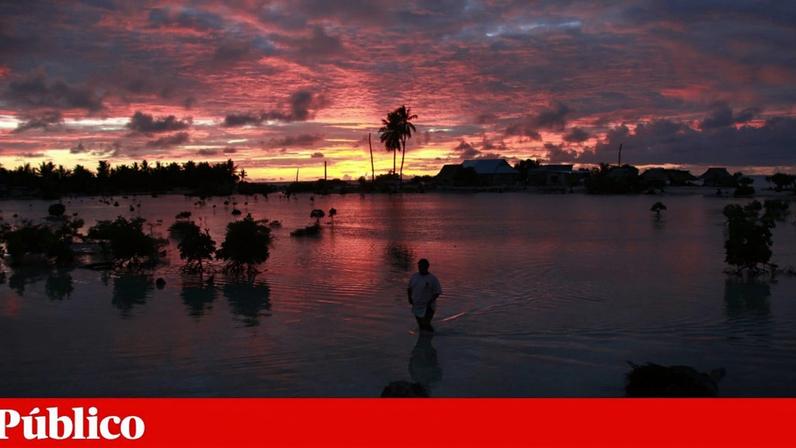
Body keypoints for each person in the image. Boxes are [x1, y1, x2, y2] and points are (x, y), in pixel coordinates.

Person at [407, 259, 442, 332]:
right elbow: (409, 288)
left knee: (426, 323)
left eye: (422, 266)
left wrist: (430, 302)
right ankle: (422, 338)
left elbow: (437, 292)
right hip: (416, 304)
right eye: (419, 266)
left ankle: (433, 336)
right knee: (420, 324)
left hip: (428, 306)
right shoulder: (414, 276)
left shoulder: (432, 278)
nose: (420, 268)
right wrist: (409, 298)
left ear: (427, 267)